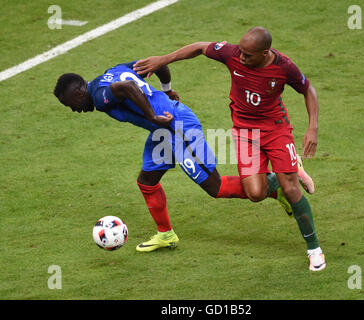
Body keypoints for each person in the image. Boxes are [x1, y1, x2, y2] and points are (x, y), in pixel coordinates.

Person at [134, 27, 325, 271]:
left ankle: (314, 248)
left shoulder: (284, 67)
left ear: (265, 52)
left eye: (248, 55)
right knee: (255, 193)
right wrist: (163, 59)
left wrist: (313, 127)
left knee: (291, 189)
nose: (241, 58)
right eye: (241, 52)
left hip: (276, 130)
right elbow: (200, 47)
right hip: (245, 133)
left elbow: (308, 89)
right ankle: (287, 171)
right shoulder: (233, 53)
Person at [53, 60, 292, 253]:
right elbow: (153, 63)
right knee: (147, 181)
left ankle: (273, 187)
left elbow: (127, 88)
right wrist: (166, 90)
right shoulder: (112, 72)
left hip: (178, 127)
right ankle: (166, 235)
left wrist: (153, 115)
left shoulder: (99, 95)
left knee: (215, 187)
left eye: (70, 104)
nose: (74, 110)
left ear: (78, 92)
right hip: (163, 132)